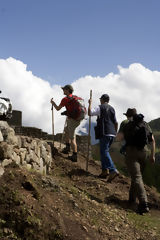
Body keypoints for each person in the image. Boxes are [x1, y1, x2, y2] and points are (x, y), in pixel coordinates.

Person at [117, 110, 155, 214]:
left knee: (137, 177)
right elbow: (152, 139)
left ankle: (144, 204)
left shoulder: (126, 124)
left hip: (131, 152)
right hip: (144, 152)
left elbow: (119, 138)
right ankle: (131, 199)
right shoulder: (145, 124)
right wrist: (152, 155)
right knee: (137, 177)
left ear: (128, 116)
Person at [88, 94, 119, 181]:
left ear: (102, 100)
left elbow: (90, 113)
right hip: (112, 133)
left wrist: (90, 103)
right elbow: (116, 122)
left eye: (100, 99)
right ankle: (105, 171)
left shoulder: (100, 107)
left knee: (104, 152)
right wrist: (115, 133)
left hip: (104, 132)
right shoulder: (112, 109)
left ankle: (113, 170)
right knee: (104, 152)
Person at [50, 84, 81, 162]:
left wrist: (52, 103)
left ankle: (74, 155)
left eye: (64, 89)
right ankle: (67, 148)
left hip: (72, 120)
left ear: (67, 90)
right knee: (66, 130)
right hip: (78, 118)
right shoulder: (76, 98)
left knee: (72, 137)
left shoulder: (65, 99)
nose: (63, 91)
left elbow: (57, 108)